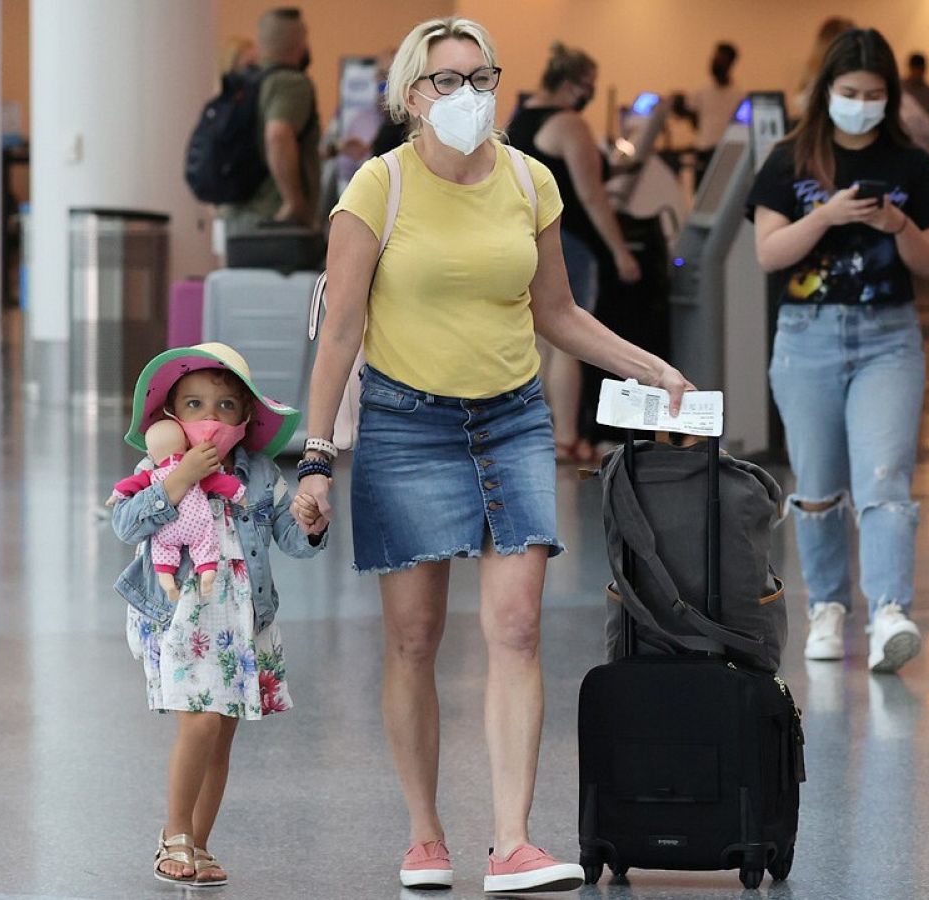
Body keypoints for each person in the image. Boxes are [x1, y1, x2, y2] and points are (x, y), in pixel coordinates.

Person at [293, 16, 694, 893]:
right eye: (446, 80)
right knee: (414, 639)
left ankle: (512, 839)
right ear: (409, 96)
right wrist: (316, 456)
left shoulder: (529, 179)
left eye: (481, 78)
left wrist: (647, 364)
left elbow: (556, 311)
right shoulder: (375, 188)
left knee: (515, 629)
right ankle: (425, 835)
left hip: (512, 421)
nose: (467, 95)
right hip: (406, 424)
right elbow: (340, 334)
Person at [746, 27, 929, 674]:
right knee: (818, 485)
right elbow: (768, 253)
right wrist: (827, 216)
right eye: (849, 91)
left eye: (873, 94)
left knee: (886, 478)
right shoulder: (787, 160)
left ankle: (890, 610)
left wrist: (897, 223)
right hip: (806, 337)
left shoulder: (910, 164)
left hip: (887, 337)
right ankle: (828, 609)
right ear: (827, 90)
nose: (861, 102)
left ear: (889, 98)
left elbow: (928, 260)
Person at [108, 341, 326, 888]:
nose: (210, 419)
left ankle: (200, 843)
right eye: (195, 405)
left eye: (225, 406)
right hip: (180, 617)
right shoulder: (158, 467)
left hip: (240, 619)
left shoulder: (258, 475)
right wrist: (178, 480)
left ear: (247, 417)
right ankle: (174, 833)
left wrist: (309, 521)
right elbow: (127, 525)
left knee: (221, 735)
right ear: (171, 416)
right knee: (201, 722)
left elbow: (291, 541)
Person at [506, 42, 643, 464]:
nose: (591, 94)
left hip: (520, 237)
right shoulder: (569, 123)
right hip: (567, 242)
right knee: (567, 338)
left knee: (538, 342)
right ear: (571, 84)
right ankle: (565, 437)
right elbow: (592, 196)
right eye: (589, 86)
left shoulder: (520, 117)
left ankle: (545, 433)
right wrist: (621, 251)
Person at [219, 7, 319, 233]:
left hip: (237, 219)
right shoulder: (290, 82)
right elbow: (277, 135)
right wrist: (293, 202)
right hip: (274, 222)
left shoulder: (242, 83)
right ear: (299, 42)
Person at [678, 41, 744, 155]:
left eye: (720, 60)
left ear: (730, 63)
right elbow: (691, 116)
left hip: (726, 151)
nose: (715, 62)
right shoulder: (701, 92)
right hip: (703, 150)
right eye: (715, 58)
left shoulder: (739, 95)